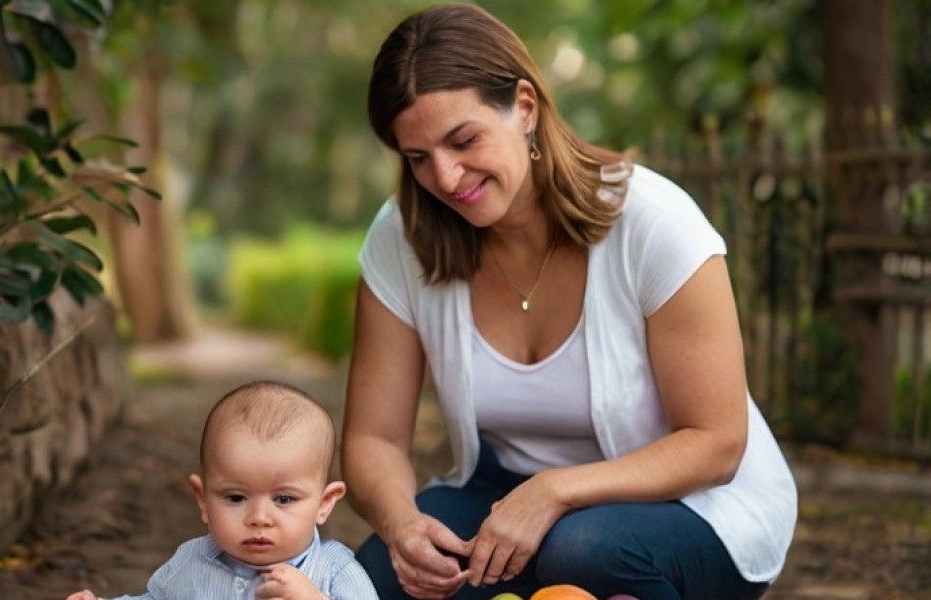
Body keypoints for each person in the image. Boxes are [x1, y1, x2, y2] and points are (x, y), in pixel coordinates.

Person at [341, 4, 798, 600]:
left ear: (525, 107)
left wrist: (555, 491)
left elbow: (716, 442)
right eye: (418, 158)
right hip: (506, 498)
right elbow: (373, 439)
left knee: (582, 550)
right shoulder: (401, 238)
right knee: (375, 579)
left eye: (464, 139)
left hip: (695, 506)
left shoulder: (656, 224)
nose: (448, 179)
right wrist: (401, 524)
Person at [68, 380, 378, 600]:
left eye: (283, 499)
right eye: (235, 498)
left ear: (324, 503)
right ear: (202, 500)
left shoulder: (334, 571)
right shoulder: (193, 560)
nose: (258, 518)